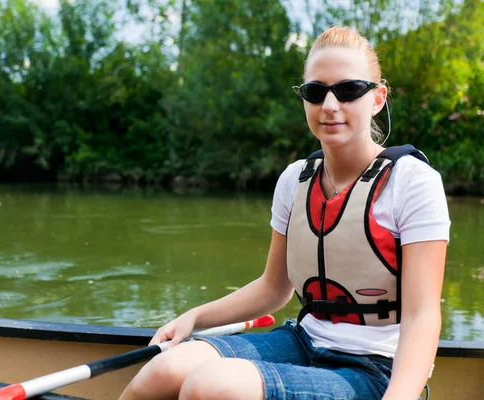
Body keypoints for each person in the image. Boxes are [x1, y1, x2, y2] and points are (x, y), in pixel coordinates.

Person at [119, 26, 450, 400]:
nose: (329, 105)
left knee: (209, 385)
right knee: (163, 370)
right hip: (303, 341)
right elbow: (274, 288)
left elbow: (423, 317)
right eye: (315, 91)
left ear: (377, 99)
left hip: (376, 367)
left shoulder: (413, 181)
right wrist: (193, 318)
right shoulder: (295, 179)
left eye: (348, 90)